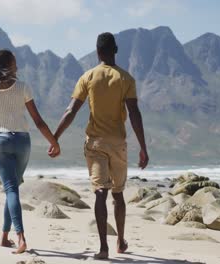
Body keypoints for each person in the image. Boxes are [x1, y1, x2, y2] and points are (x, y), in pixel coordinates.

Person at [50, 32, 149, 259]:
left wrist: (55, 138)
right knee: (118, 194)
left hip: (94, 143)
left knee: (100, 193)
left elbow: (71, 111)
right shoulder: (126, 79)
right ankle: (120, 242)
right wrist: (143, 147)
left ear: (97, 52)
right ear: (115, 50)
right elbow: (134, 114)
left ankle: (103, 248)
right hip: (117, 143)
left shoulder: (88, 76)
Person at [0, 49, 61, 254]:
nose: (18, 67)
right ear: (8, 67)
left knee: (11, 189)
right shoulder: (23, 88)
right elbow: (38, 121)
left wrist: (0, 133)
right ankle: (14, 237)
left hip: (0, 142)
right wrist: (54, 143)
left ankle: (13, 237)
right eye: (15, 63)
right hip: (22, 142)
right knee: (13, 189)